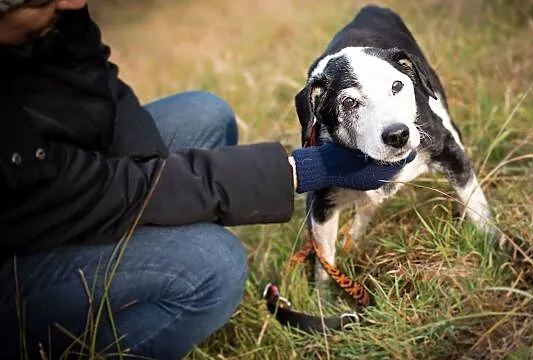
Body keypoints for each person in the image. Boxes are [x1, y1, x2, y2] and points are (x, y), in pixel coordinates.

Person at [0, 1, 415, 359]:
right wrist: (305, 169)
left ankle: (159, 251)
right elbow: (84, 190)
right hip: (16, 251)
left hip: (56, 193)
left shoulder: (56, 17)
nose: (73, 3)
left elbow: (97, 83)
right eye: (43, 1)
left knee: (205, 114)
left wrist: (158, 177)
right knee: (215, 265)